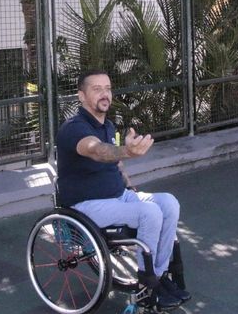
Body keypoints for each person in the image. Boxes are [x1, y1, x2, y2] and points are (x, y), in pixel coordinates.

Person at [55, 70, 190, 310]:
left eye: (107, 88)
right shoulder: (73, 129)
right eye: (97, 89)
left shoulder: (108, 125)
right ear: (81, 96)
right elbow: (97, 150)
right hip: (87, 204)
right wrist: (127, 151)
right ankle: (146, 286)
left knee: (169, 202)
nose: (104, 94)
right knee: (149, 213)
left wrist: (129, 185)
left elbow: (115, 162)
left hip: (119, 196)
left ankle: (156, 278)